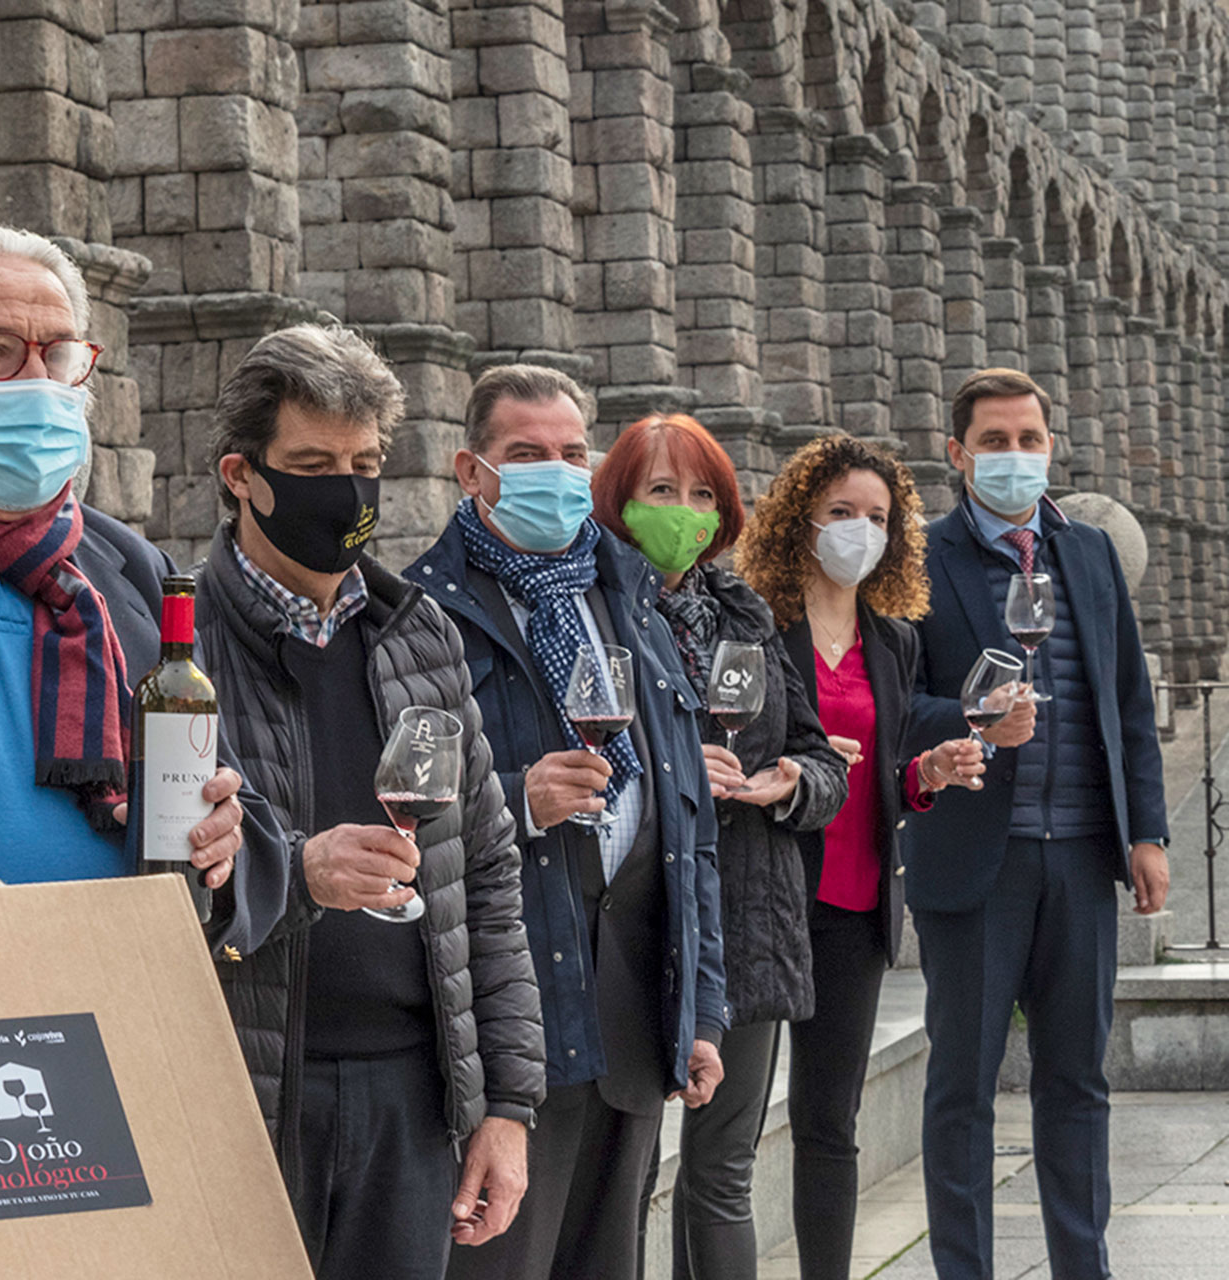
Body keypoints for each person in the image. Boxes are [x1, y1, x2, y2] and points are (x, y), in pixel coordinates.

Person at [0, 219, 290, 955]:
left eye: (59, 353)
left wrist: (224, 853)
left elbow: (243, 829)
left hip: (118, 990)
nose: (37, 381)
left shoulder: (123, 567)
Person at [193, 326, 544, 1280]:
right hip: (248, 1089)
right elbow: (156, 875)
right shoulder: (176, 642)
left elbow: (486, 875)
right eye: (313, 467)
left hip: (410, 1099)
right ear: (241, 475)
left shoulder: (420, 633)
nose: (347, 494)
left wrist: (507, 1107)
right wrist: (300, 868)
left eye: (365, 466)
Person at [401, 368, 727, 1280]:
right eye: (527, 454)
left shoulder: (630, 595)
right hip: (515, 1032)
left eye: (572, 453)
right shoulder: (424, 614)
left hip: (632, 1016)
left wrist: (699, 1009)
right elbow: (397, 807)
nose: (556, 471)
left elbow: (688, 826)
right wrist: (515, 800)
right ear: (472, 470)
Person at [905, 368, 1170, 1280]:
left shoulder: (1087, 552)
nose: (1014, 455)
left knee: (1078, 1082)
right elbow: (897, 702)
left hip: (1085, 855)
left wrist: (1147, 833)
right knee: (962, 1088)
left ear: (1050, 447)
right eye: (994, 442)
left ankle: (1083, 1268)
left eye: (1028, 440)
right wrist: (971, 719)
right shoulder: (920, 559)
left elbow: (1128, 700)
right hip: (977, 860)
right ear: (958, 453)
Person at [589, 414, 849, 1280]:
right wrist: (666, 768)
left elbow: (820, 758)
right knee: (624, 1172)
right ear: (621, 501)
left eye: (704, 495)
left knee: (723, 1170)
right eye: (663, 491)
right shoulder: (592, 608)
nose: (687, 512)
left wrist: (789, 782)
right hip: (636, 920)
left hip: (746, 914)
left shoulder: (743, 612)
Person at [735, 433, 986, 1280]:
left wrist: (927, 774)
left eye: (877, 517)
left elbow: (883, 778)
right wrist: (794, 764)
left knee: (828, 1122)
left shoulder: (894, 639)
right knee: (728, 1126)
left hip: (855, 899)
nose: (861, 530)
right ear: (798, 521)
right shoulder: (756, 624)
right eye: (841, 512)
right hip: (765, 896)